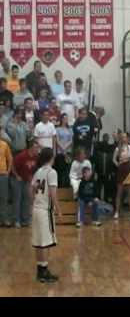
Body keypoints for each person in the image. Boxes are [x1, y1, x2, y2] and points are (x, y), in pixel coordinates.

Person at [30, 147, 61, 283]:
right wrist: (59, 210)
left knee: (38, 243)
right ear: (51, 158)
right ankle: (44, 272)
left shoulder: (38, 172)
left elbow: (31, 190)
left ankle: (40, 270)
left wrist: (34, 203)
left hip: (36, 209)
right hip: (44, 210)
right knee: (44, 243)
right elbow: (53, 194)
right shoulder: (51, 172)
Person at [11, 138, 40, 228]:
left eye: (38, 148)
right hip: (18, 179)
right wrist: (17, 176)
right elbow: (12, 166)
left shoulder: (36, 157)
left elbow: (36, 169)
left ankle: (25, 220)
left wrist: (33, 178)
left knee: (26, 200)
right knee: (17, 200)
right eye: (36, 148)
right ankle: (16, 220)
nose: (37, 149)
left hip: (27, 180)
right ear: (31, 148)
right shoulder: (22, 156)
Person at [112, 132, 130, 220]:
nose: (124, 138)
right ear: (120, 139)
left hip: (128, 170)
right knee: (119, 192)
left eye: (125, 137)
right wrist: (118, 164)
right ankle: (117, 211)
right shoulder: (118, 149)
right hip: (121, 170)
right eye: (122, 137)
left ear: (127, 138)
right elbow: (114, 159)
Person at [93, 133, 116, 203]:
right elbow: (95, 161)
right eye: (105, 137)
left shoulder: (110, 147)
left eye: (107, 138)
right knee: (98, 187)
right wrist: (95, 172)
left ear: (108, 139)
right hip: (99, 171)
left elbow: (115, 145)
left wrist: (115, 138)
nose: (106, 139)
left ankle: (106, 200)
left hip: (108, 171)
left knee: (107, 187)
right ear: (102, 138)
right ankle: (98, 200)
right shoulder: (98, 147)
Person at [55, 114, 73, 188]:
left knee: (67, 171)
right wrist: (62, 148)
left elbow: (71, 140)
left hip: (68, 153)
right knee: (60, 171)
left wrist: (66, 148)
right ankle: (59, 188)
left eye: (66, 118)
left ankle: (66, 187)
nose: (65, 120)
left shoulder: (70, 129)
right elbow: (57, 140)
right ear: (61, 119)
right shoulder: (57, 129)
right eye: (64, 118)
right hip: (60, 152)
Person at [0, 134, 13, 227]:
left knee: (4, 198)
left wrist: (8, 171)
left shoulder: (4, 144)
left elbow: (10, 159)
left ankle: (4, 219)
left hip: (3, 174)